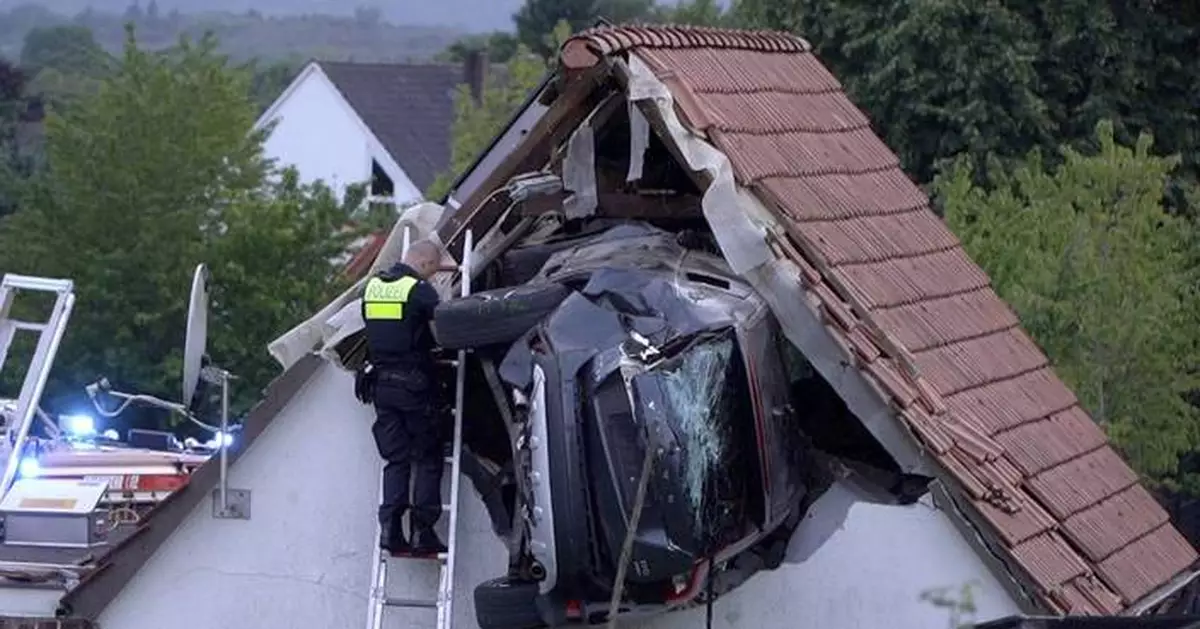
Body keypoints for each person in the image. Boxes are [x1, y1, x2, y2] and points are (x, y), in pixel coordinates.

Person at [358, 239, 448, 557]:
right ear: (423, 263)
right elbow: (443, 333)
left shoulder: (373, 287)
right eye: (433, 271)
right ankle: (423, 533)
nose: (433, 277)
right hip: (414, 385)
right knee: (426, 456)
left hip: (381, 385)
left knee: (396, 459)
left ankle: (391, 531)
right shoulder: (419, 290)